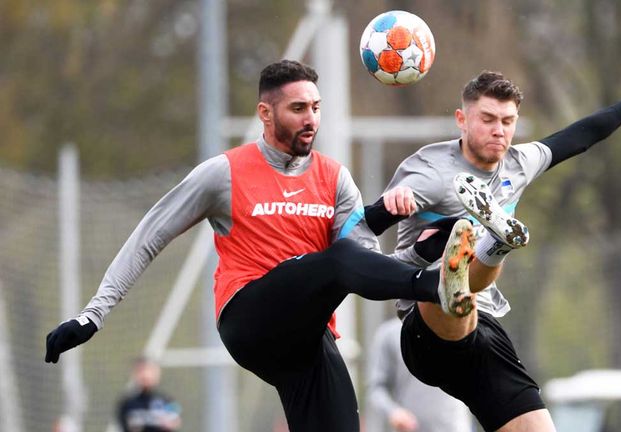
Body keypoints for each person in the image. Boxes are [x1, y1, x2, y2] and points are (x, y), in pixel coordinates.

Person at [44, 59, 480, 432]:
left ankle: (433, 278)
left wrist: (420, 247)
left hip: (307, 337)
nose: (311, 119)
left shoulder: (334, 178)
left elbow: (363, 264)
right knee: (340, 261)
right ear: (265, 114)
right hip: (249, 318)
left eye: (316, 108)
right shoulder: (223, 173)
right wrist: (93, 315)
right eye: (298, 108)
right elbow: (149, 236)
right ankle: (436, 287)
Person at [364, 59, 621, 432]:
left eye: (507, 121)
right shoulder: (429, 173)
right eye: (487, 119)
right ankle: (467, 263)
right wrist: (388, 205)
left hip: (486, 328)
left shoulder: (519, 163)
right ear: (462, 120)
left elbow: (582, 135)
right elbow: (359, 231)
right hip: (426, 330)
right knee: (452, 285)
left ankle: (494, 243)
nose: (499, 130)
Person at [366, 316, 473, 432]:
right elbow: (376, 388)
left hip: (456, 427)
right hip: (411, 428)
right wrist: (393, 412)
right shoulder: (390, 334)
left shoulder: (459, 325)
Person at [117, 357, 181, 432]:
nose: (146, 375)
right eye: (141, 371)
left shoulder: (167, 401)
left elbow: (175, 421)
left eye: (150, 371)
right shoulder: (127, 403)